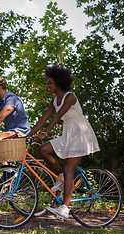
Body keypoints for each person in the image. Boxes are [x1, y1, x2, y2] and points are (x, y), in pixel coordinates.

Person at [28, 65, 100, 220]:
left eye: (50, 83)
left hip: (81, 133)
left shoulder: (70, 97)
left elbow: (57, 116)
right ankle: (60, 178)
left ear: (59, 83)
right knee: (43, 150)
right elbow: (43, 119)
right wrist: (27, 136)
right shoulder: (54, 101)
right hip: (68, 133)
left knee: (69, 169)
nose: (47, 86)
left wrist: (45, 133)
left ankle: (65, 208)